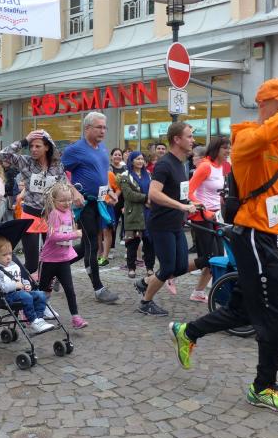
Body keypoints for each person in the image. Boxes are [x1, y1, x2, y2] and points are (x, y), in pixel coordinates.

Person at [168, 78, 278, 414]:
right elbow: (269, 130)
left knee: (242, 310)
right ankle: (264, 387)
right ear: (266, 104)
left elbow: (275, 188)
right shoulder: (248, 137)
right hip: (253, 235)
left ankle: (188, 331)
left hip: (266, 234)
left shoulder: (276, 144)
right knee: (276, 312)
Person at [134, 121, 215, 317]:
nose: (193, 140)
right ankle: (145, 302)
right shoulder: (165, 164)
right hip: (161, 224)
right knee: (168, 267)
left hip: (176, 223)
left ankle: (144, 282)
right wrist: (181, 206)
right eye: (189, 136)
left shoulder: (180, 164)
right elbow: (154, 193)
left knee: (179, 267)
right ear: (177, 139)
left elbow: (180, 193)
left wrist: (192, 203)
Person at [61, 112, 120, 304]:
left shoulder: (102, 148)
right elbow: (58, 172)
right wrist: (74, 192)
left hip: (99, 203)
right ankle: (98, 288)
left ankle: (54, 267)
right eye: (99, 127)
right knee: (93, 245)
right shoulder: (74, 149)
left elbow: (103, 173)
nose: (103, 131)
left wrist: (110, 191)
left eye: (104, 127)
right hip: (83, 204)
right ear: (87, 128)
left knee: (87, 245)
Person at [0, 130, 67, 276]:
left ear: (47, 147)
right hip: (30, 216)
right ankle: (15, 279)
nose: (33, 149)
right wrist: (24, 141)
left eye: (38, 146)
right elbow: (2, 155)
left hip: (50, 216)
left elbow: (63, 189)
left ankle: (46, 283)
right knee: (31, 264)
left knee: (52, 258)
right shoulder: (26, 162)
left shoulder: (57, 166)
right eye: (31, 146)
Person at [187, 136, 230, 303]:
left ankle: (198, 292)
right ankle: (169, 273)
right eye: (225, 148)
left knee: (216, 258)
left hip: (215, 216)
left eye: (229, 148)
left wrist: (222, 200)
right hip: (201, 217)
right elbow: (189, 192)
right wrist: (203, 209)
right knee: (208, 258)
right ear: (216, 149)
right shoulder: (205, 166)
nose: (228, 151)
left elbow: (215, 191)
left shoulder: (222, 166)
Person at [38, 182, 88, 329]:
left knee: (70, 289)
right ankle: (35, 314)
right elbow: (53, 236)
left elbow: (68, 230)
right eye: (62, 200)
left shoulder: (69, 212)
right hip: (49, 259)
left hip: (63, 259)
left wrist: (73, 232)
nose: (67, 203)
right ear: (54, 201)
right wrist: (74, 235)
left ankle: (76, 317)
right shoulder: (54, 214)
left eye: (69, 200)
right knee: (44, 290)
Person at [0, 235, 55, 334]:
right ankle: (33, 320)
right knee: (26, 296)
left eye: (10, 254)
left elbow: (21, 278)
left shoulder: (13, 265)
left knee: (41, 294)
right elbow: (1, 287)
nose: (9, 257)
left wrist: (26, 284)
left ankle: (39, 319)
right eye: (4, 255)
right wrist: (16, 285)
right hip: (6, 297)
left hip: (20, 293)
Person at [119, 151, 155, 279]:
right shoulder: (125, 175)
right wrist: (146, 198)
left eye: (142, 159)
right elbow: (128, 194)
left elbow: (153, 190)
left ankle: (150, 267)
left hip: (148, 212)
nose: (140, 161)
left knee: (149, 243)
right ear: (132, 161)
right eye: (137, 159)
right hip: (133, 213)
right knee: (132, 243)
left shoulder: (148, 174)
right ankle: (131, 268)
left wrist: (152, 199)